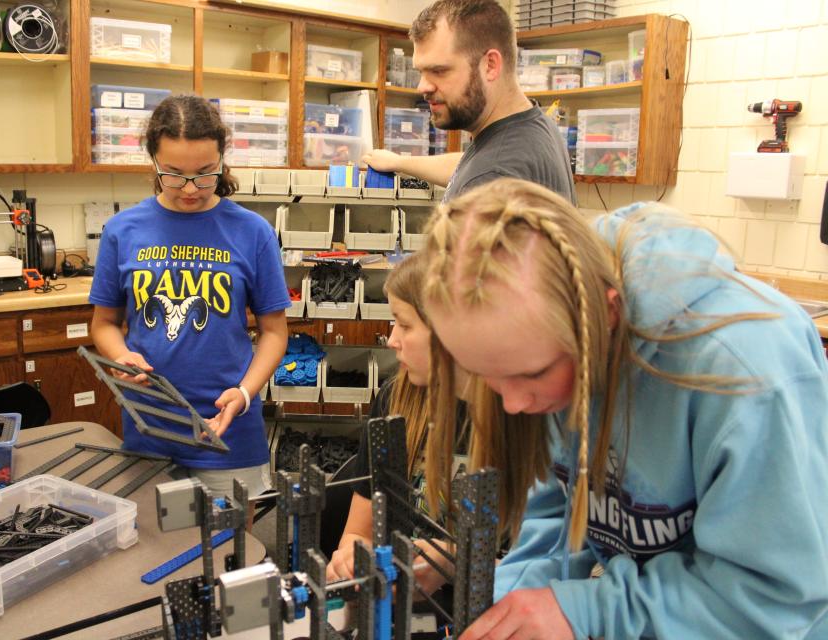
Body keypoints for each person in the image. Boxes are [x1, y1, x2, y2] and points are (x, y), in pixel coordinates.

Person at [420, 177, 828, 639]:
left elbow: (772, 599)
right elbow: (557, 521)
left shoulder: (747, 371)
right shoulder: (552, 355)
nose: (513, 403)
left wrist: (588, 610)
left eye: (531, 375)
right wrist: (505, 609)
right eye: (489, 377)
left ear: (606, 315)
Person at [89, 94, 290, 499]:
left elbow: (274, 332)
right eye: (174, 174)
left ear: (222, 160)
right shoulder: (122, 230)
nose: (190, 189)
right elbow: (105, 324)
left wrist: (246, 393)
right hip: (150, 426)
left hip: (227, 426)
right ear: (153, 162)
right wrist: (120, 357)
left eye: (205, 173)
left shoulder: (252, 232)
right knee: (155, 551)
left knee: (234, 552)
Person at [324, 252, 488, 597]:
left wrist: (454, 560)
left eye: (405, 324)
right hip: (398, 602)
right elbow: (358, 533)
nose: (392, 339)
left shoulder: (520, 412)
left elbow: (543, 569)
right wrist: (352, 558)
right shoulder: (395, 399)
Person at [363, 0, 574, 204]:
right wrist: (399, 162)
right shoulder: (532, 127)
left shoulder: (491, 179)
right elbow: (469, 164)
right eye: (421, 72)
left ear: (490, 65)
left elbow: (485, 170)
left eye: (439, 71)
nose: (422, 87)